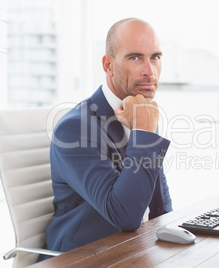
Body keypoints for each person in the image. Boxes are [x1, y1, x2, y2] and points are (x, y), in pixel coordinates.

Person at [42, 18, 172, 257]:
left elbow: (160, 207)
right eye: (135, 57)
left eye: (155, 57)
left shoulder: (140, 114)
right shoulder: (75, 130)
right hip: (85, 258)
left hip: (137, 251)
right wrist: (143, 133)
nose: (149, 71)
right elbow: (125, 215)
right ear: (108, 65)